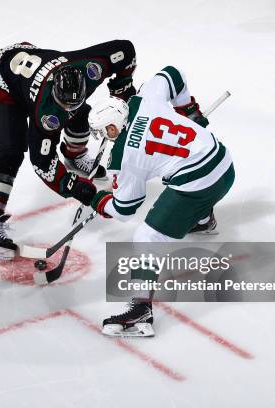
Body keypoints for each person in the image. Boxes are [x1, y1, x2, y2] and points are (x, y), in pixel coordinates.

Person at [87, 66, 235, 337]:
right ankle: (202, 219)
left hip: (203, 185)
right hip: (225, 164)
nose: (103, 138)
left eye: (102, 132)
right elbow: (173, 73)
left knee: (145, 237)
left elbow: (124, 209)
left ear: (112, 126)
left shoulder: (124, 157)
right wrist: (189, 112)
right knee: (178, 172)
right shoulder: (143, 98)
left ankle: (141, 310)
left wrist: (99, 201)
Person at [0, 40, 137, 259]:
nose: (68, 108)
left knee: (81, 111)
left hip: (30, 59)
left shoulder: (91, 69)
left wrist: (123, 87)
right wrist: (78, 188)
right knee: (10, 152)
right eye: (64, 105)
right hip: (4, 82)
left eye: (75, 101)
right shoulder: (47, 115)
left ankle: (74, 155)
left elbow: (125, 50)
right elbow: (43, 164)